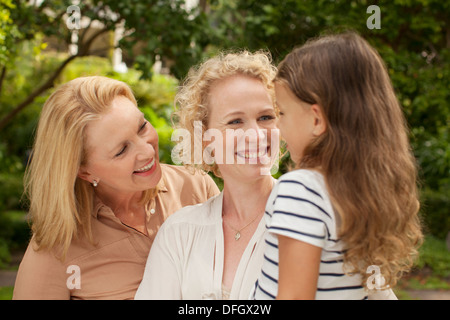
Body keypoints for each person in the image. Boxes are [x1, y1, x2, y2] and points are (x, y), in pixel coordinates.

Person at [13, 76, 219, 300]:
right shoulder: (58, 247)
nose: (148, 151)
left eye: (141, 127)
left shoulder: (196, 188)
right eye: (121, 150)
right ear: (84, 171)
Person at [252, 32, 423, 300]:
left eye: (282, 113)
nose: (278, 128)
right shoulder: (358, 192)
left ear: (317, 119)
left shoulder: (301, 189)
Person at [135, 51, 280, 299]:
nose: (255, 134)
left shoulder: (311, 219)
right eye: (235, 122)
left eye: (266, 117)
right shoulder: (179, 233)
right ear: (206, 139)